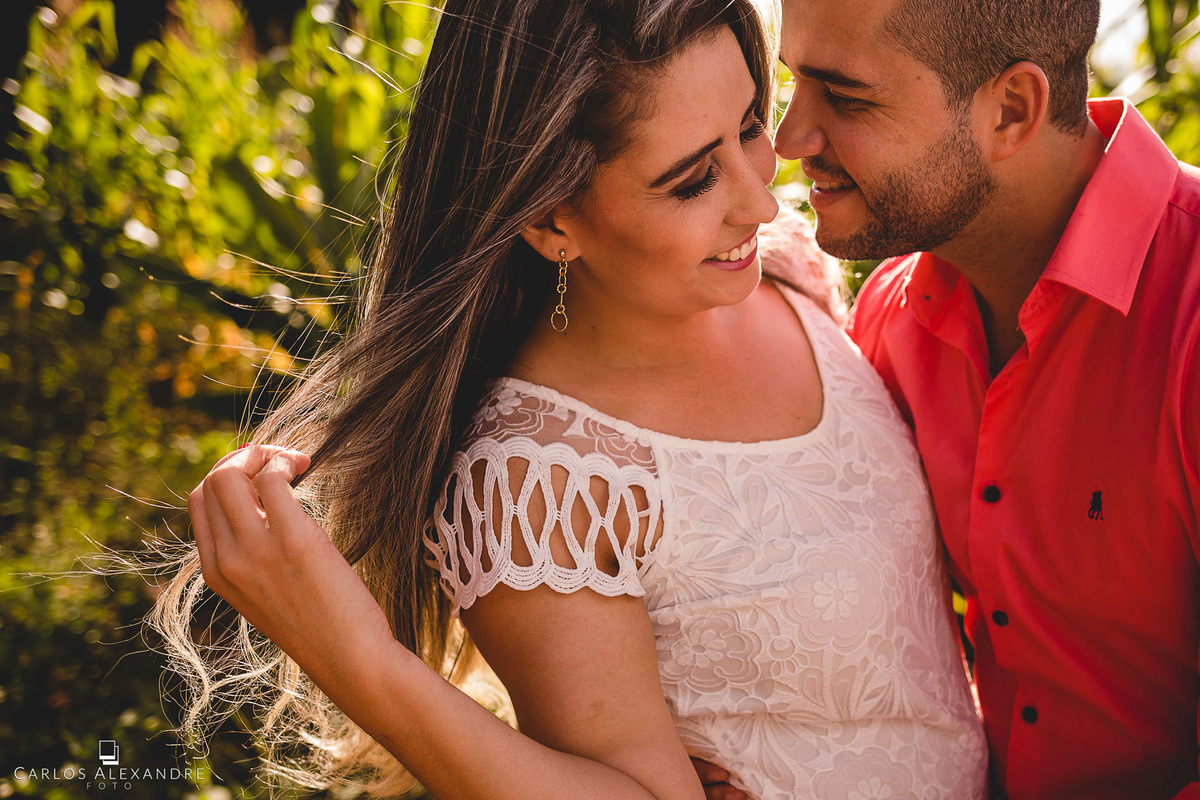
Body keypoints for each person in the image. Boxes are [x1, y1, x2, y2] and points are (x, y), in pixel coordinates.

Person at [164, 0, 989, 798]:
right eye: (693, 178)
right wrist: (362, 664)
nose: (763, 200)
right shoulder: (541, 476)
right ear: (552, 218)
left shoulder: (780, 268)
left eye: (749, 126)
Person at [697, 0, 1200, 798]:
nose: (788, 140)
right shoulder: (893, 320)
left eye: (847, 97)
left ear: (1011, 110)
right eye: (794, 83)